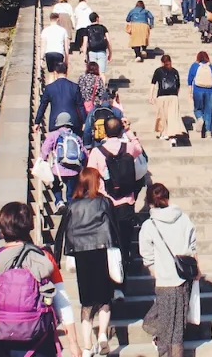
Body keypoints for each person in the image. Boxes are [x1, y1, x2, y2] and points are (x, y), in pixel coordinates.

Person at [0, 202, 80, 357]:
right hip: (38, 338)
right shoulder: (43, 258)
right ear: (30, 227)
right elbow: (62, 300)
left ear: (1, 231)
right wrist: (73, 342)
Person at [54, 168, 119, 357]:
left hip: (81, 253)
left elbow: (61, 233)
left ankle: (88, 346)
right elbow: (114, 227)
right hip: (101, 250)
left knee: (87, 302)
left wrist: (57, 256)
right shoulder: (104, 202)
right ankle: (102, 336)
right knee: (105, 298)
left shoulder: (72, 205)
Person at [87, 118, 144, 302]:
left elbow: (90, 175)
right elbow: (139, 149)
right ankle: (121, 285)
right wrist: (129, 131)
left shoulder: (97, 152)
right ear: (120, 130)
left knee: (109, 246)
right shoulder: (127, 148)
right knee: (125, 245)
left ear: (104, 131)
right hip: (126, 203)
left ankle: (110, 285)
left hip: (106, 205)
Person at [139, 183, 198, 357]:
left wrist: (155, 271)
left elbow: (146, 254)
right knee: (178, 331)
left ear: (150, 202)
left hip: (164, 281)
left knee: (164, 329)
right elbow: (192, 247)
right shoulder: (184, 218)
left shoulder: (149, 225)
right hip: (183, 279)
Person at [40, 112, 87, 211]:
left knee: (56, 186)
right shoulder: (76, 136)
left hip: (58, 169)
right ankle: (70, 206)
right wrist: (83, 166)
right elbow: (85, 153)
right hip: (74, 170)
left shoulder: (53, 135)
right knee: (71, 190)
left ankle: (59, 202)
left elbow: (45, 149)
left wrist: (42, 159)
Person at [34, 62, 84, 133]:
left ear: (55, 72)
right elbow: (80, 106)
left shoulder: (49, 88)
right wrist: (84, 121)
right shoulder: (74, 87)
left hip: (55, 122)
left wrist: (37, 122)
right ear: (66, 71)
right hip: (72, 122)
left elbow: (42, 106)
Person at [150, 55, 186, 147]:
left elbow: (153, 84)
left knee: (163, 116)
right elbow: (178, 86)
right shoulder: (175, 71)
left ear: (162, 62)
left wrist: (151, 96)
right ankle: (173, 137)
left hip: (162, 96)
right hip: (173, 96)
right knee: (173, 117)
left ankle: (164, 133)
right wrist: (175, 95)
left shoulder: (158, 71)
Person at [188, 51, 212, 138]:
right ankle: (208, 132)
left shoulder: (195, 66)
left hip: (198, 90)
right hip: (210, 91)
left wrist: (190, 92)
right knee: (208, 112)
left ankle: (200, 118)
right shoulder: (211, 67)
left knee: (197, 109)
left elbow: (190, 80)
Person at [82, 12, 112, 78]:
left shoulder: (87, 29)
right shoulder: (103, 28)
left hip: (91, 52)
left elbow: (85, 43)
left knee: (93, 73)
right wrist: (110, 53)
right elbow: (108, 40)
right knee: (102, 73)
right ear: (97, 18)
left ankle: (94, 87)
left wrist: (84, 56)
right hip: (102, 51)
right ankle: (103, 87)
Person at [41, 12, 69, 80]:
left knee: (51, 74)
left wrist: (41, 58)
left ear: (50, 19)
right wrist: (67, 58)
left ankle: (50, 89)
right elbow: (66, 46)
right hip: (59, 53)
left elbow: (43, 45)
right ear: (58, 19)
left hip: (49, 53)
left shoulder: (45, 30)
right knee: (58, 73)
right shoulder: (63, 30)